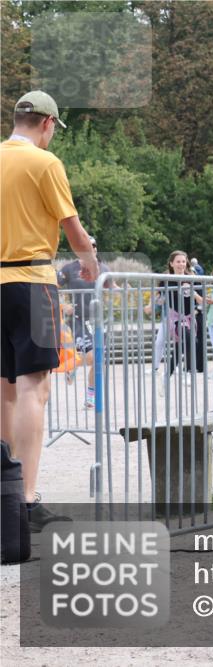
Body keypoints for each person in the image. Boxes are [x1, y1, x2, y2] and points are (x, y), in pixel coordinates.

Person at [1, 90, 98, 532]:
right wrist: (89, 262)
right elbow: (72, 227)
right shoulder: (45, 164)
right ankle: (25, 498)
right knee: (33, 389)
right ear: (46, 124)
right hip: (33, 282)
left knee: (3, 388)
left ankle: (4, 492)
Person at [56, 235, 113, 408]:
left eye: (94, 246)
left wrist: (128, 290)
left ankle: (90, 396)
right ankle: (72, 364)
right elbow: (51, 288)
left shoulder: (103, 268)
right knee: (91, 357)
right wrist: (63, 305)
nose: (92, 249)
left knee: (99, 360)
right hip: (77, 319)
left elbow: (113, 287)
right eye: (88, 246)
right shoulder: (69, 269)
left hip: (96, 320)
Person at [145, 251, 205, 384]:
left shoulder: (192, 278)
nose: (181, 264)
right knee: (169, 341)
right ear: (171, 264)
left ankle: (171, 374)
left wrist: (197, 297)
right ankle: (168, 370)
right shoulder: (166, 279)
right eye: (178, 261)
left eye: (183, 261)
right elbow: (158, 294)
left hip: (189, 318)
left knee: (183, 345)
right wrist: (151, 305)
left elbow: (201, 300)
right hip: (174, 318)